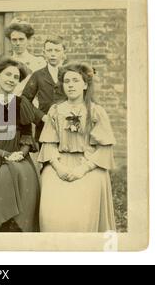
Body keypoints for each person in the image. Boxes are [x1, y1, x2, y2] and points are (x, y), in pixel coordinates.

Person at [38, 63, 116, 232]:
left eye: (75, 80)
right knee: (50, 205)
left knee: (83, 214)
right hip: (60, 162)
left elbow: (105, 148)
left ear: (85, 85)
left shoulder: (96, 111)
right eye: (67, 81)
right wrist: (58, 167)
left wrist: (83, 169)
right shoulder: (55, 110)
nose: (71, 85)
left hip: (88, 164)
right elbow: (48, 143)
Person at [0, 57, 46, 232]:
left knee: (22, 172)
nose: (11, 79)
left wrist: (20, 153)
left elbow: (27, 135)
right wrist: (5, 155)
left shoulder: (22, 103)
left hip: (19, 154)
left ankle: (19, 225)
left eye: (15, 77)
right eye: (7, 74)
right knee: (3, 172)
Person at [22, 36, 67, 143]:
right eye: (49, 50)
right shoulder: (37, 75)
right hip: (44, 127)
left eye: (57, 50)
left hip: (67, 126)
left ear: (63, 53)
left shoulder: (69, 74)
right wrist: (41, 117)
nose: (53, 54)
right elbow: (24, 100)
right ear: (44, 53)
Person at [4, 21, 47, 96]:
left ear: (28, 40)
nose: (18, 43)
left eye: (21, 39)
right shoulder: (5, 63)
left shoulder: (38, 63)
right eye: (14, 40)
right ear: (10, 41)